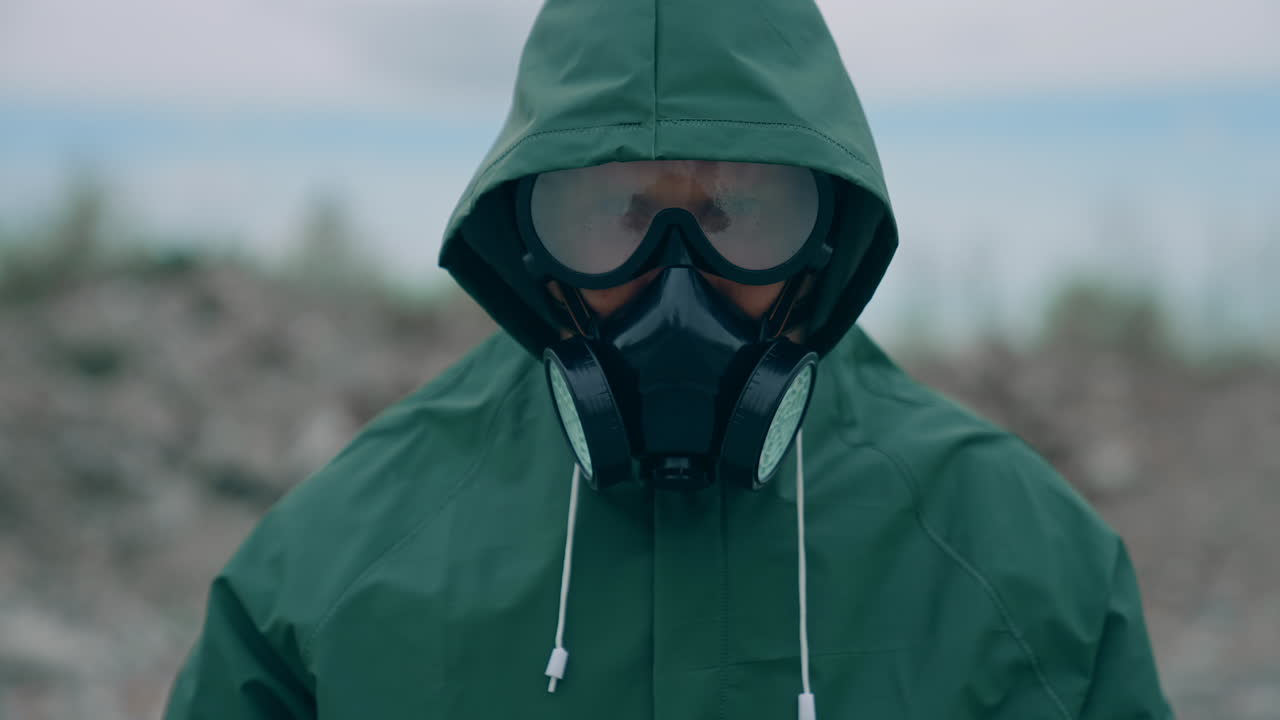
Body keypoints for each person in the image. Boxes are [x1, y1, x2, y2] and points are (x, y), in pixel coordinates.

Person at [164, 1, 1172, 718]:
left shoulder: (1027, 565)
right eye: (616, 213)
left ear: (827, 238)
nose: (676, 277)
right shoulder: (321, 579)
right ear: (525, 238)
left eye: (739, 211)